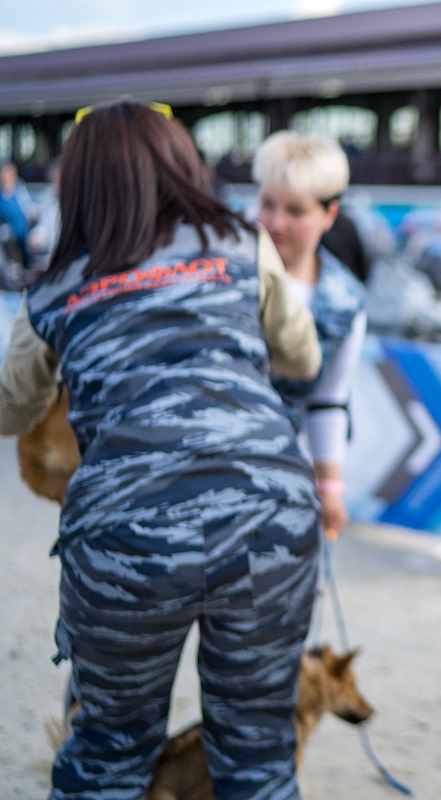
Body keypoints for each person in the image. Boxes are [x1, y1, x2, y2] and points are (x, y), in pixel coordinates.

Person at [0, 100, 323, 799]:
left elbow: (10, 410)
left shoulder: (54, 287)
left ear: (76, 186)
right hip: (270, 520)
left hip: (126, 536)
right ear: (183, 164)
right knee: (259, 756)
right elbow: (302, 356)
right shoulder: (240, 242)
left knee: (109, 752)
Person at [253, 130, 367, 541]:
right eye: (267, 204)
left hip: (287, 474)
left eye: (296, 211)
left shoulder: (346, 301)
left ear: (329, 213)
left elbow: (329, 400)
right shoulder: (224, 272)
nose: (275, 223)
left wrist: (329, 489)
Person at [0, 160, 36, 269]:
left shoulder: (19, 190)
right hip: (6, 234)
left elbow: (28, 208)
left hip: (21, 231)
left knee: (24, 259)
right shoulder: (1, 193)